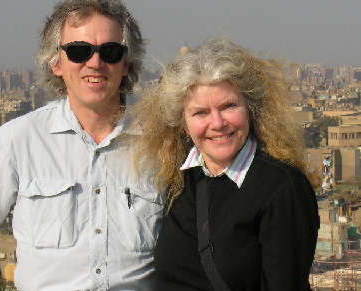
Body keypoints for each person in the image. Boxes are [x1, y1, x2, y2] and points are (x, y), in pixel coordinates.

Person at [0, 0, 164, 290]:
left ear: (126, 63)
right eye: (79, 51)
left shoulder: (161, 142)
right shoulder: (16, 142)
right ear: (56, 63)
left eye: (109, 51)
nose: (95, 63)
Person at [133, 37, 319, 290]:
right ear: (183, 124)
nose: (218, 123)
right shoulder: (179, 182)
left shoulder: (280, 188)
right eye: (201, 112)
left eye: (229, 106)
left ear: (250, 110)